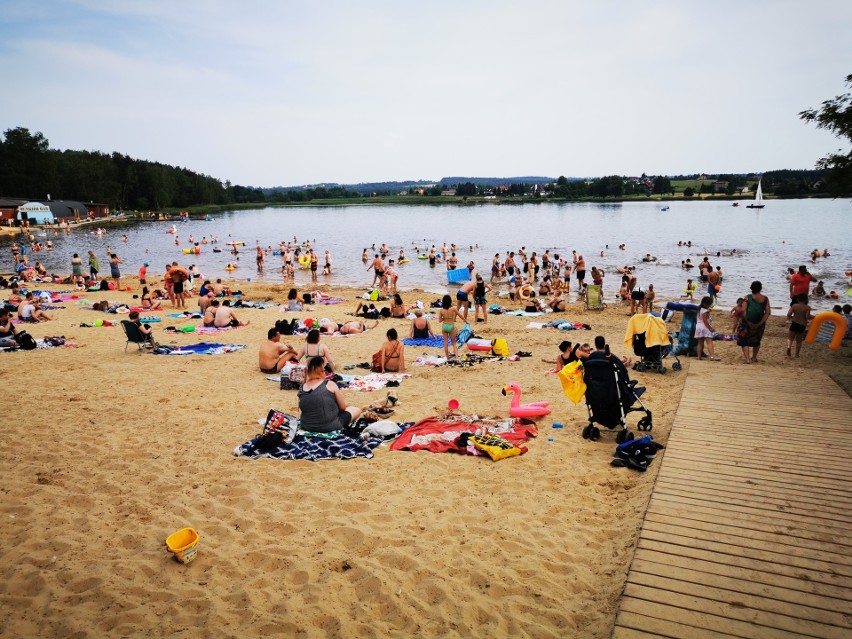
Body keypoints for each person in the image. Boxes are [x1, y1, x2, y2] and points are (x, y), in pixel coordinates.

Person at [297, 357, 361, 434]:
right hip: (329, 426)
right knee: (356, 410)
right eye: (324, 370)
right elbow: (343, 408)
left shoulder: (302, 388)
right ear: (321, 372)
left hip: (306, 426)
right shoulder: (329, 384)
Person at [737, 281, 770, 364]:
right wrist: (760, 323)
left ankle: (747, 359)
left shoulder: (747, 297)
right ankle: (754, 357)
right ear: (760, 288)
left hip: (746, 322)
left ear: (751, 288)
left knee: (744, 340)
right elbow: (767, 312)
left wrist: (747, 322)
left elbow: (743, 310)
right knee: (757, 340)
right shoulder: (765, 298)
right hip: (759, 322)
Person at [439, 293, 465, 359]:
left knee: (445, 342)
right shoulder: (453, 309)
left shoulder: (441, 310)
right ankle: (456, 357)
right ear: (450, 301)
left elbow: (439, 320)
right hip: (451, 326)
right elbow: (460, 315)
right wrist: (466, 321)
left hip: (444, 326)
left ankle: (447, 357)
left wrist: (444, 318)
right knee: (454, 343)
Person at [694, 296, 719, 361]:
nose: (710, 306)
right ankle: (712, 356)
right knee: (709, 342)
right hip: (705, 327)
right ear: (706, 304)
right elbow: (705, 320)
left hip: (698, 327)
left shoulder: (699, 309)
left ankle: (699, 357)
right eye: (709, 304)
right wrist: (710, 328)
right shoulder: (705, 311)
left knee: (700, 343)